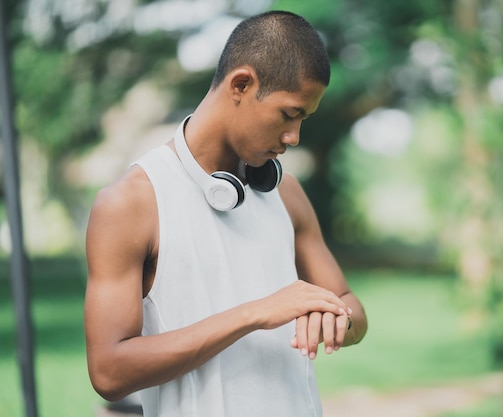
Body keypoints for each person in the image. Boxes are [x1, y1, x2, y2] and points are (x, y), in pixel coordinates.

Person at [83, 10, 367, 417]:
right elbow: (109, 373)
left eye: (304, 119)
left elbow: (350, 305)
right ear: (241, 84)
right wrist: (253, 314)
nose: (294, 137)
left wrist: (337, 318)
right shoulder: (130, 204)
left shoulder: (285, 192)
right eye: (289, 114)